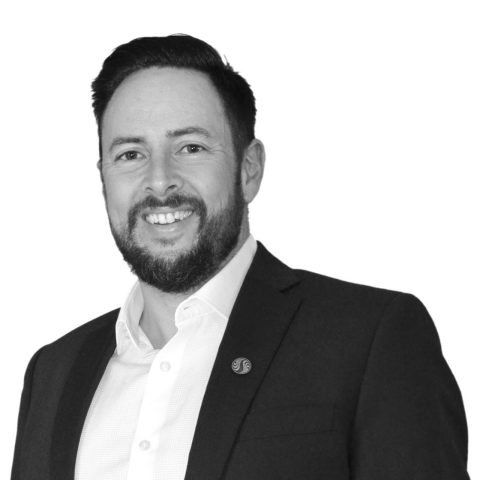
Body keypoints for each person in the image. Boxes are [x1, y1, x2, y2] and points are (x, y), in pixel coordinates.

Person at [11, 34, 470, 480]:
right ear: (104, 178)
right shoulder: (53, 373)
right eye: (131, 154)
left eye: (190, 148)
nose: (160, 180)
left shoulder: (369, 338)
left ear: (249, 169)